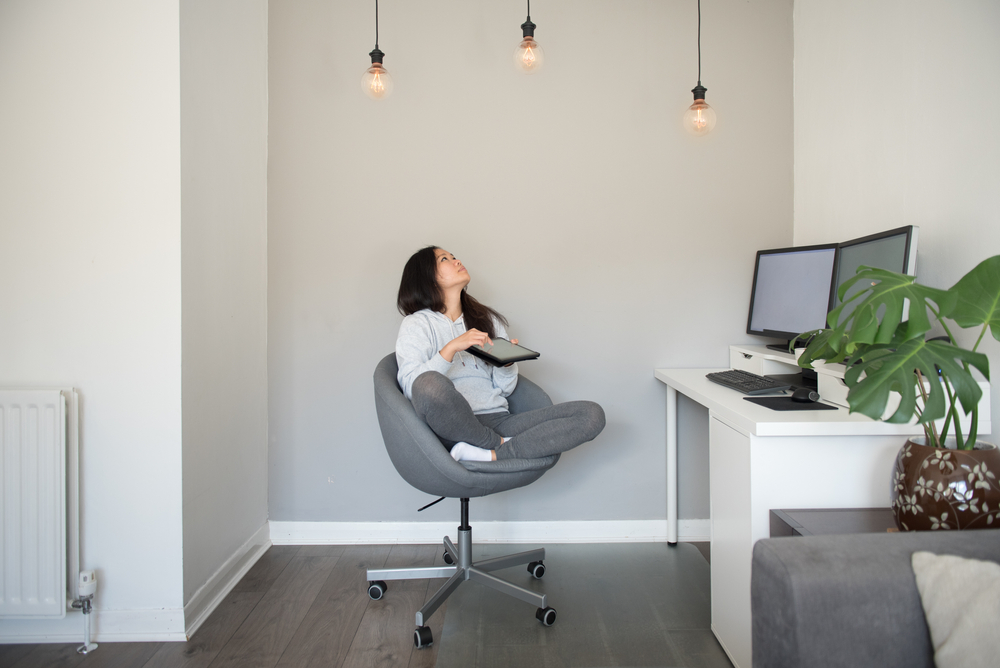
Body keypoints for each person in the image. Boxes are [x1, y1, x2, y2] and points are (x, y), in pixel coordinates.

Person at [395, 246, 605, 462]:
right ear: (426, 277)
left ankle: (495, 453)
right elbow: (413, 387)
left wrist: (506, 364)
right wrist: (451, 348)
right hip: (452, 428)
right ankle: (495, 445)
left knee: (591, 414)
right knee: (428, 383)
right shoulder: (416, 324)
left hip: (498, 420)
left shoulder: (485, 320)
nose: (457, 261)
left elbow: (505, 389)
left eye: (455, 256)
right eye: (444, 259)